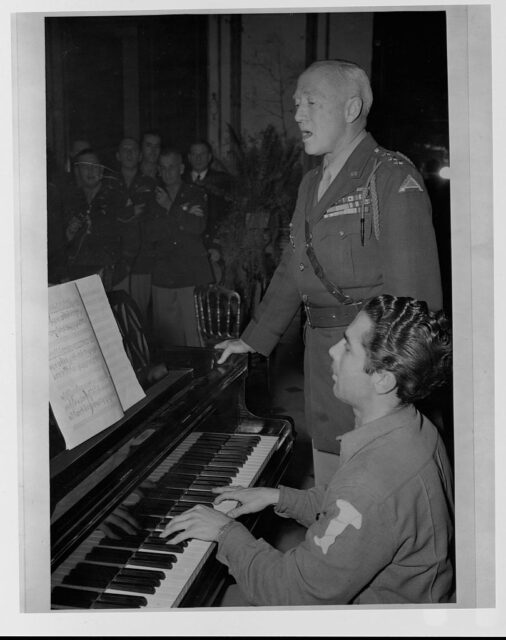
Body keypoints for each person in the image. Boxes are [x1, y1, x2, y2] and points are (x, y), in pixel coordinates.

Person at [215, 59, 443, 486]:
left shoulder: (391, 177)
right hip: (321, 359)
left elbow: (416, 303)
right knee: (330, 483)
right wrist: (254, 339)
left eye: (311, 103)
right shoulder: (311, 183)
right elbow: (292, 266)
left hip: (371, 365)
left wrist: (387, 381)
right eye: (296, 104)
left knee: (370, 496)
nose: (298, 114)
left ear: (351, 108)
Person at [161, 294, 454, 606]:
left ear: (381, 379)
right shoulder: (415, 426)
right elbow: (348, 510)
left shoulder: (370, 483)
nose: (331, 350)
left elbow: (292, 592)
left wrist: (225, 532)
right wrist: (278, 497)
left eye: (348, 346)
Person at [148, 148, 214, 348]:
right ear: (158, 170)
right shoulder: (153, 196)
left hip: (190, 275)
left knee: (195, 339)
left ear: (181, 168)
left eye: (172, 167)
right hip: (164, 276)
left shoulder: (195, 194)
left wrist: (170, 208)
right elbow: (151, 233)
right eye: (163, 168)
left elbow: (197, 227)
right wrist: (183, 214)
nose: (167, 172)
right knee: (168, 342)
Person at [62, 148, 127, 291]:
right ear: (78, 171)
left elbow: (130, 241)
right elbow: (61, 244)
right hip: (77, 276)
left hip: (111, 278)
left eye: (94, 166)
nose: (90, 171)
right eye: (85, 166)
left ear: (102, 171)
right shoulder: (70, 200)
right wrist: (69, 234)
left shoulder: (116, 198)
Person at [112, 136, 157, 325]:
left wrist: (124, 213)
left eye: (133, 150)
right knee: (115, 319)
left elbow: (150, 217)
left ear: (140, 156)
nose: (129, 153)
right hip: (114, 262)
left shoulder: (152, 184)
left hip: (142, 262)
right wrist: (130, 211)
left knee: (139, 318)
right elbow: (107, 218)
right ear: (118, 155)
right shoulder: (109, 184)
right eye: (125, 149)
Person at [183, 140, 233, 282]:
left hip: (213, 249)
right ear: (189, 157)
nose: (198, 158)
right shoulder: (180, 180)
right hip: (185, 249)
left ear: (210, 157)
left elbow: (230, 217)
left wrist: (218, 245)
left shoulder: (224, 182)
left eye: (202, 154)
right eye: (194, 154)